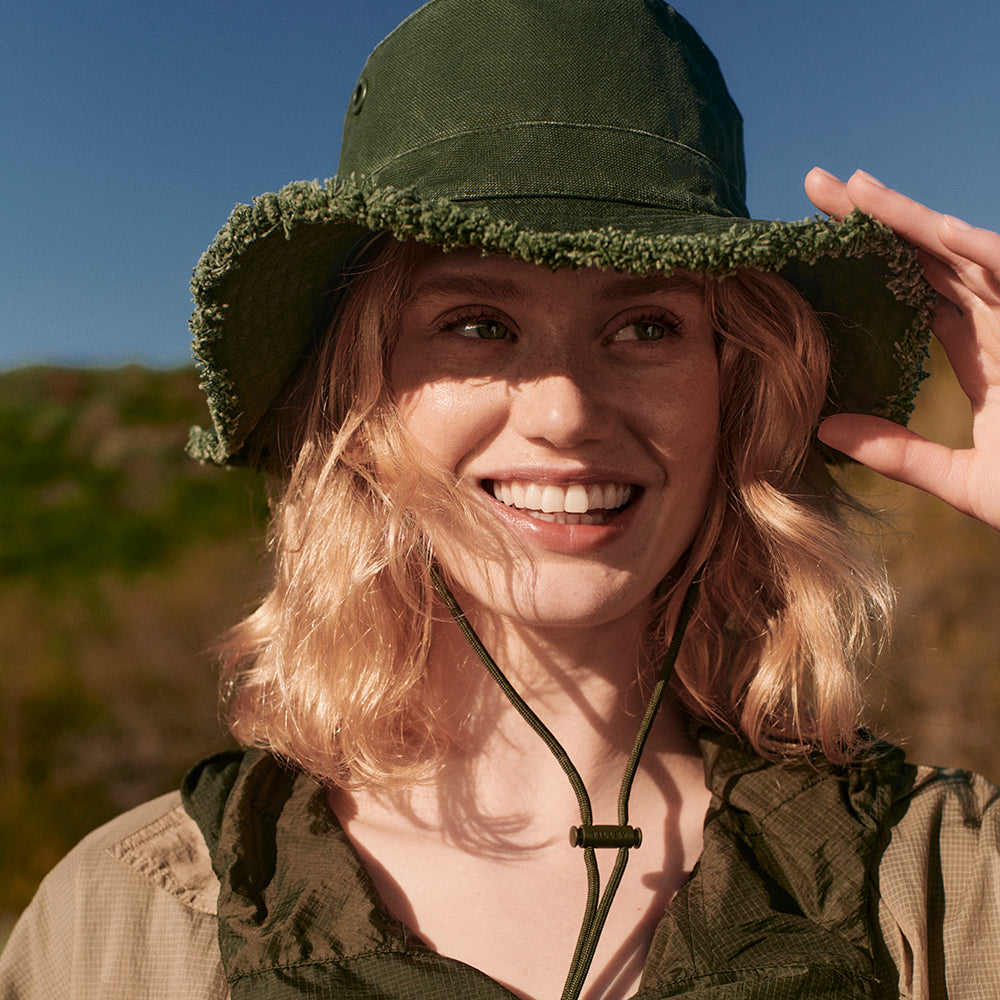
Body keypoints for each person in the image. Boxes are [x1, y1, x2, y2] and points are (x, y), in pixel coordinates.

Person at [2, 1, 999, 998]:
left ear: (734, 390)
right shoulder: (129, 925)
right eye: (478, 324)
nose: (565, 410)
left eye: (646, 325)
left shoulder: (940, 887)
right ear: (365, 403)